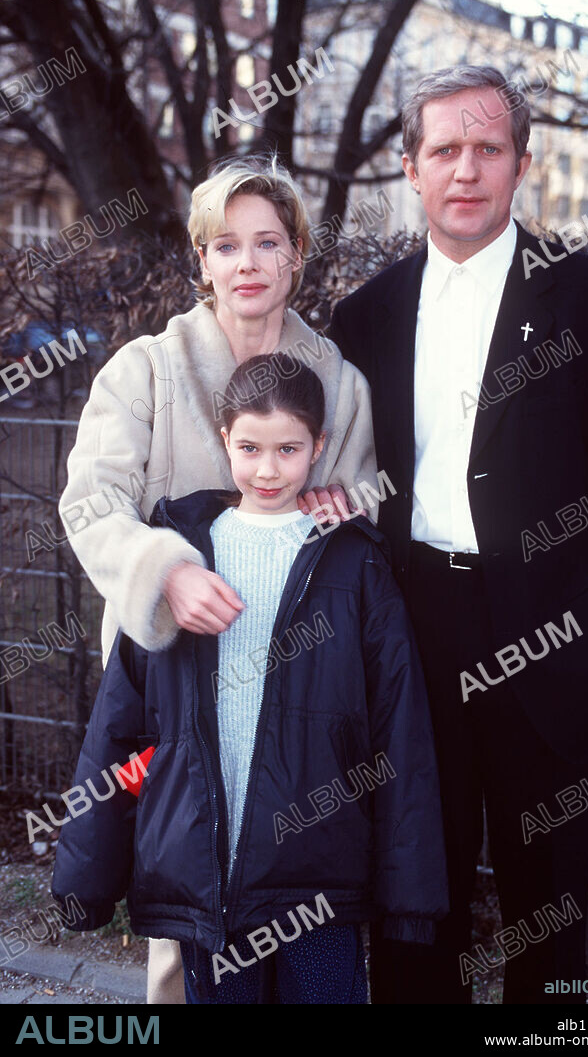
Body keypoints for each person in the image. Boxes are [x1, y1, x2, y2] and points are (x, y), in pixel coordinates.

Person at [328, 65, 588, 1004]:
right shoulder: (363, 318)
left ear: (524, 162)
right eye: (444, 149)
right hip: (411, 629)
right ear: (410, 167)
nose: (465, 169)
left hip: (553, 636)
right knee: (412, 895)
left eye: (488, 148)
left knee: (547, 905)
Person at [58, 155, 379, 1003]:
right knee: (180, 916)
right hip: (169, 691)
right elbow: (90, 504)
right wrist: (163, 573)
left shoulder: (339, 384)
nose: (247, 263)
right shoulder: (145, 370)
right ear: (201, 259)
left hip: (297, 707)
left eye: (267, 242)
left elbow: (364, 527)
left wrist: (350, 503)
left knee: (306, 926)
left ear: (297, 253)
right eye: (225, 244)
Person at [51, 354, 448, 1005]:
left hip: (321, 889)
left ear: (318, 446)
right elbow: (120, 724)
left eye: (289, 448)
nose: (269, 468)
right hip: (213, 889)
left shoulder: (356, 564)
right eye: (251, 447)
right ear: (224, 439)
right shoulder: (180, 553)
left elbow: (401, 732)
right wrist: (85, 877)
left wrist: (410, 893)